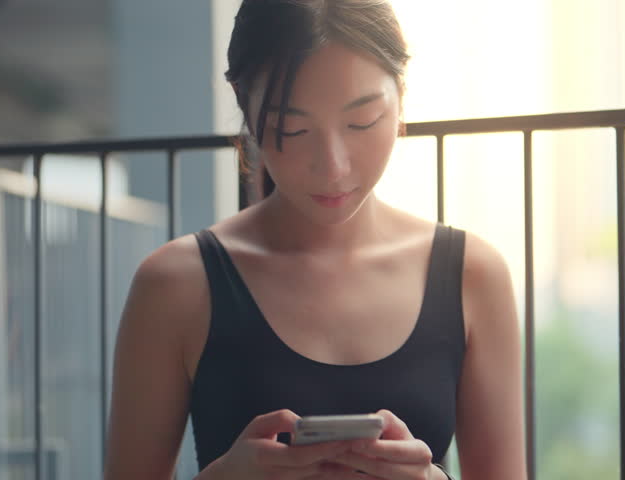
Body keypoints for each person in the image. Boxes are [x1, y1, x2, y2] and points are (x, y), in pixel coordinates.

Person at [104, 1, 527, 479]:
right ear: (245, 106)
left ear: (401, 98)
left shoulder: (472, 275)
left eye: (362, 122)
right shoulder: (175, 284)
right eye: (294, 128)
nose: (334, 166)